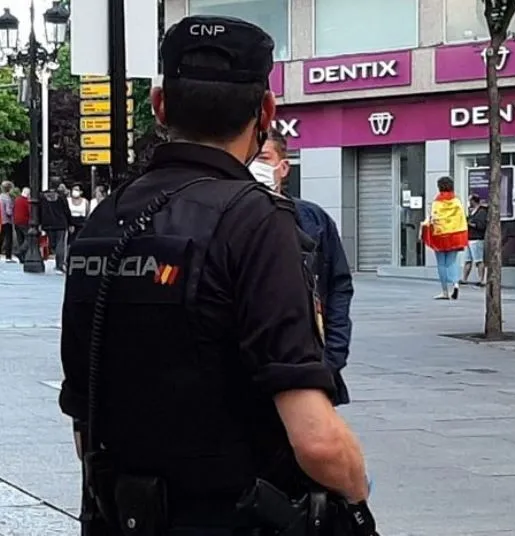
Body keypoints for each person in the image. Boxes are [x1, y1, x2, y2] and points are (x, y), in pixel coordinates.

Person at [59, 15, 377, 535]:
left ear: (160, 105)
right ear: (266, 111)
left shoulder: (104, 219)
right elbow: (317, 440)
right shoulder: (257, 221)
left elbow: (84, 422)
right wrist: (358, 494)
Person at [252, 127, 355, 406]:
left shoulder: (313, 219)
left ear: (283, 167)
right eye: (248, 159)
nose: (254, 167)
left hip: (311, 364)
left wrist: (333, 356)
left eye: (263, 158)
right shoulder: (227, 218)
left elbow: (339, 286)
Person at [422, 176, 467, 300]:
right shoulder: (457, 201)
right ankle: (455, 283)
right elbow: (462, 218)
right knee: (452, 262)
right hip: (455, 235)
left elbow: (433, 218)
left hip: (440, 236)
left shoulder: (437, 202)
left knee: (441, 264)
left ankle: (445, 291)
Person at [38, 177, 72, 272]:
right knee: (60, 244)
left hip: (47, 223)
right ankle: (60, 264)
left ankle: (56, 259)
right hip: (60, 222)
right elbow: (66, 210)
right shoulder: (61, 196)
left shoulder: (42, 196)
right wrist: (70, 222)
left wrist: (40, 222)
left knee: (52, 243)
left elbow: (39, 210)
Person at [462, 194, 487, 286]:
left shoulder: (481, 212)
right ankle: (464, 279)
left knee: (479, 260)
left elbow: (481, 225)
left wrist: (470, 224)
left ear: (473, 201)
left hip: (477, 238)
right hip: (469, 238)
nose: (469, 203)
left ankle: (482, 280)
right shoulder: (472, 211)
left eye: (470, 200)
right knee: (467, 260)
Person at [12, 186, 29, 260]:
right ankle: (19, 251)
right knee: (29, 238)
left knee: (20, 240)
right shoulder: (27, 201)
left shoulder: (16, 200)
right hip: (24, 221)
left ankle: (22, 258)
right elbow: (29, 212)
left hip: (16, 221)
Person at [0, 181, 13, 262]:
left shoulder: (0, 196)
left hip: (1, 220)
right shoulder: (7, 198)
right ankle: (8, 256)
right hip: (7, 220)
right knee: (8, 238)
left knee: (1, 237)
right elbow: (9, 212)